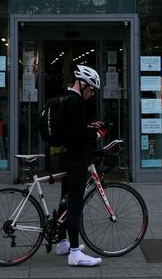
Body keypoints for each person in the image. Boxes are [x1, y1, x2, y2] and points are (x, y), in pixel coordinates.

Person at [54, 64, 106, 267]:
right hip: (76, 160)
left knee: (65, 201)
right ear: (82, 84)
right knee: (75, 205)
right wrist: (96, 134)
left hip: (66, 157)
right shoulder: (76, 102)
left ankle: (61, 242)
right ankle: (75, 253)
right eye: (91, 89)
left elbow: (72, 129)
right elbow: (78, 135)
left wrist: (87, 127)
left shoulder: (65, 99)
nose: (92, 93)